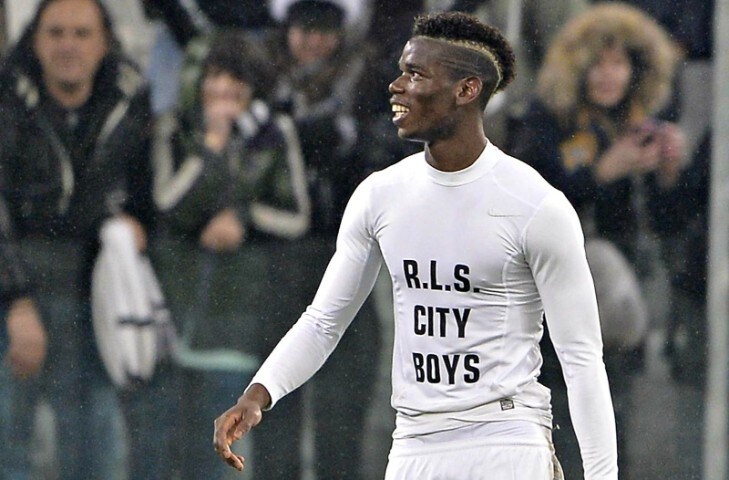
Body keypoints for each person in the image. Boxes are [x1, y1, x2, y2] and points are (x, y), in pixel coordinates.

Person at [214, 11, 618, 479]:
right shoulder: (380, 195)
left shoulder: (535, 205)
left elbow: (581, 358)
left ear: (466, 90)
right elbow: (323, 322)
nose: (396, 86)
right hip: (414, 442)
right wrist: (259, 394)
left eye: (416, 74)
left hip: (506, 437)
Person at [506, 3, 684, 477]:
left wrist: (668, 173)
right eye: (598, 64)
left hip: (618, 308)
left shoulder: (637, 123)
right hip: (552, 310)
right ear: (578, 68)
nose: (609, 75)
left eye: (619, 63)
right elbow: (530, 202)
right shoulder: (546, 120)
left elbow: (664, 222)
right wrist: (600, 173)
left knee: (611, 425)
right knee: (559, 427)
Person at [0, 0, 176, 478]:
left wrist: (137, 225)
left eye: (82, 33)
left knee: (95, 445)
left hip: (97, 294)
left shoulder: (130, 100)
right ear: (35, 41)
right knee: (9, 441)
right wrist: (17, 303)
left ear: (104, 42)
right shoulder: (8, 101)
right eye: (56, 33)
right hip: (18, 284)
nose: (68, 46)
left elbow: (151, 194)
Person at [151, 28, 311, 479]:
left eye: (235, 80)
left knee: (235, 436)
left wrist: (243, 219)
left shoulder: (274, 132)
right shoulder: (176, 129)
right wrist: (211, 147)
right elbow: (167, 205)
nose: (223, 90)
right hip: (181, 299)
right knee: (177, 440)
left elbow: (297, 216)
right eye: (214, 77)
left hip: (250, 307)